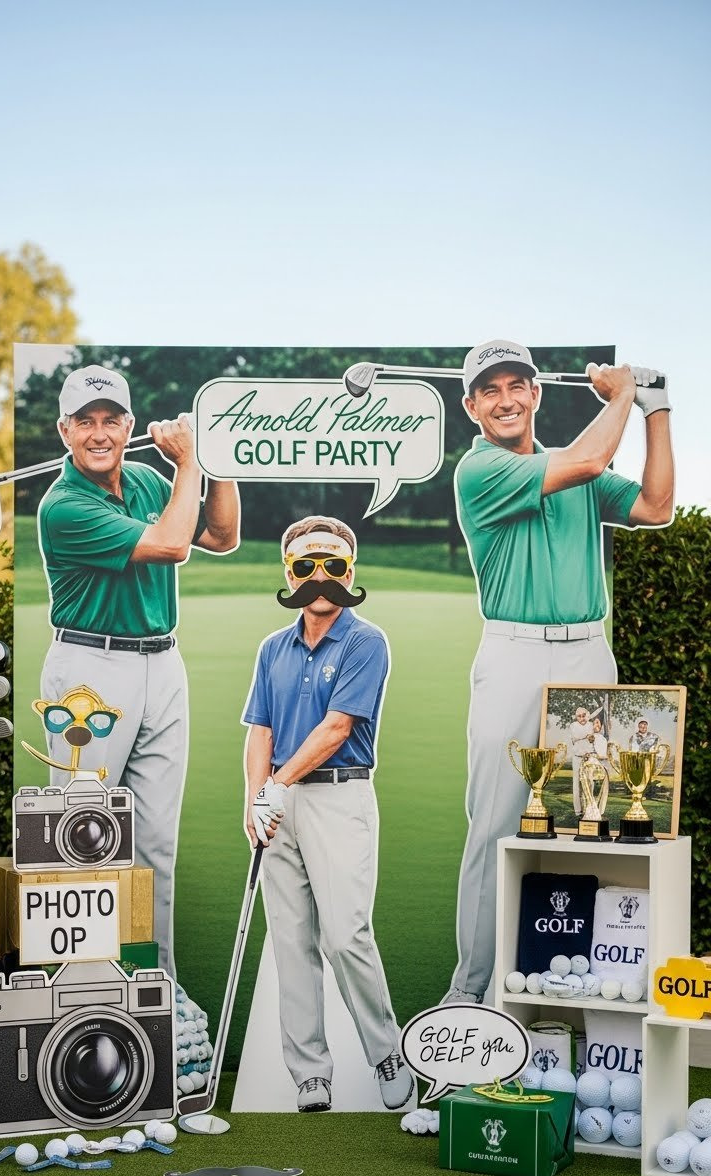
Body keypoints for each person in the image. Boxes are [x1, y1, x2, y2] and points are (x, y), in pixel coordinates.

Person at [442, 340, 674, 1005]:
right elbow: (592, 454)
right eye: (491, 389)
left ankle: (559, 989)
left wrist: (656, 407)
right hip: (514, 650)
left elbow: (657, 507)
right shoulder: (479, 469)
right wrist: (623, 391)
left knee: (587, 821)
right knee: (495, 825)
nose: (507, 398)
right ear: (472, 407)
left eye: (518, 384)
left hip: (588, 654)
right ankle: (472, 993)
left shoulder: (574, 471)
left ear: (537, 393)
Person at [37, 364, 240, 978]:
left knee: (155, 844)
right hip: (88, 672)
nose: (99, 434)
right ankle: (84, 989)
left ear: (128, 425)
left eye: (110, 420)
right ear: (64, 430)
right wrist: (190, 465)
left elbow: (222, 536)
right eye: (85, 423)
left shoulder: (151, 480)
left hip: (162, 665)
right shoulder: (63, 506)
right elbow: (173, 546)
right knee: (87, 837)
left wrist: (219, 456)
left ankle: (156, 985)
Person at [241, 516, 413, 1113]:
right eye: (307, 566)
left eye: (333, 566)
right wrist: (254, 797)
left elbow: (338, 728)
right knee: (291, 941)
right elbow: (259, 729)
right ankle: (310, 1072)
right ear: (288, 572)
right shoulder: (272, 648)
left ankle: (386, 1052)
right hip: (278, 805)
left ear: (350, 572)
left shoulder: (367, 642)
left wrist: (276, 786)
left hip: (338, 798)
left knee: (344, 935)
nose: (320, 578)